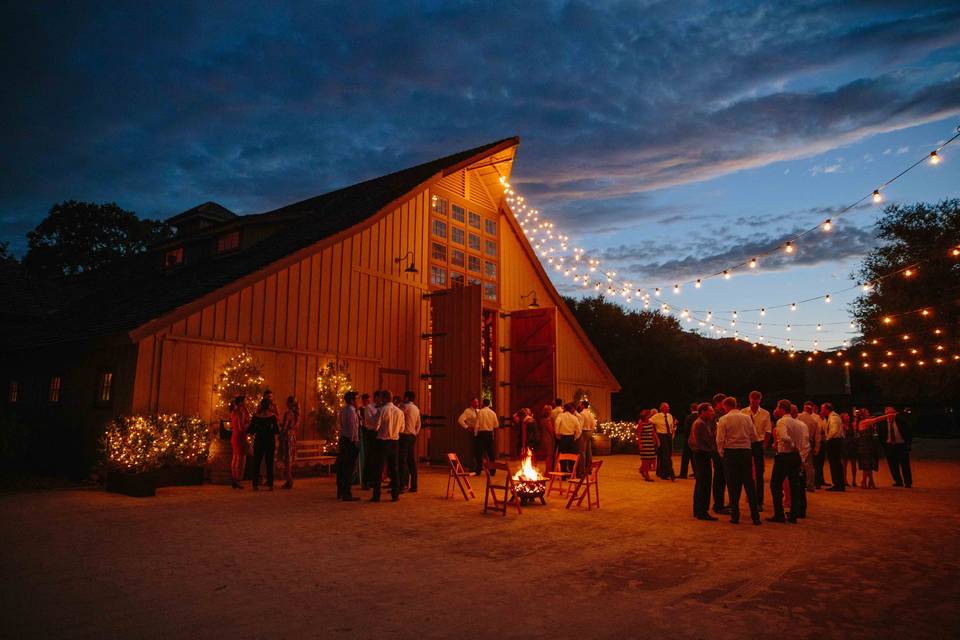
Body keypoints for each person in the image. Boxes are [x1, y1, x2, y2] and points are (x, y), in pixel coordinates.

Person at [716, 396, 760, 525]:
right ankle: (755, 516)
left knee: (732, 485)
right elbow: (754, 436)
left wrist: (722, 453)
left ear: (726, 406)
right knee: (749, 485)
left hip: (731, 453)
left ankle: (735, 516)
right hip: (745, 452)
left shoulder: (724, 419)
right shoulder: (747, 417)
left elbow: (720, 439)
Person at [767, 399, 805, 524]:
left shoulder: (782, 421)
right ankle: (793, 515)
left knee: (775, 485)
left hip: (784, 456)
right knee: (795, 486)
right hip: (795, 456)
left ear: (781, 408)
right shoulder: (798, 423)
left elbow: (783, 436)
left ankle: (779, 514)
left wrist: (792, 444)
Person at [741, 391, 772, 511]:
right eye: (752, 399)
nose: (754, 401)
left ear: (760, 400)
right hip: (746, 443)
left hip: (758, 443)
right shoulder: (743, 412)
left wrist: (764, 445)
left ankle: (759, 501)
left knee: (759, 473)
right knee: (746, 472)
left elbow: (768, 430)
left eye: (757, 399)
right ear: (749, 399)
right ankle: (749, 497)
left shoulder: (765, 413)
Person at [371, 390, 403, 502]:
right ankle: (395, 495)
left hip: (383, 441)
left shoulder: (381, 410)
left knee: (378, 468)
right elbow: (402, 429)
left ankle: (376, 495)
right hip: (395, 442)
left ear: (384, 398)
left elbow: (375, 427)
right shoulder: (399, 411)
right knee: (394, 469)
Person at [689, 403, 718, 520]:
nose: (713, 413)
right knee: (704, 483)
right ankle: (702, 511)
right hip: (702, 455)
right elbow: (706, 442)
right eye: (710, 411)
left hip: (701, 454)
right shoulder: (700, 424)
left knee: (701, 483)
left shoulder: (703, 422)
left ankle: (698, 509)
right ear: (703, 412)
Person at [248, 397, 279, 491]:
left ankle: (255, 484)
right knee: (269, 463)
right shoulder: (272, 417)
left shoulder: (256, 416)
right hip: (269, 441)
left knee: (256, 462)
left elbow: (250, 430)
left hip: (259, 440)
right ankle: (270, 484)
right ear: (269, 406)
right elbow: (276, 430)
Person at [876, 407, 912, 488]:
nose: (891, 415)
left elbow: (909, 433)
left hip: (901, 445)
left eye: (892, 413)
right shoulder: (882, 424)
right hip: (889, 446)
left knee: (905, 464)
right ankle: (898, 481)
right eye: (889, 414)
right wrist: (884, 447)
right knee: (893, 465)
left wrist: (908, 444)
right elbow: (881, 437)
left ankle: (908, 482)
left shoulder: (902, 422)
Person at [336, 391, 361, 501]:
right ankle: (347, 493)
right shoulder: (351, 411)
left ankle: (340, 491)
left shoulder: (343, 409)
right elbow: (352, 428)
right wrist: (354, 441)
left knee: (342, 467)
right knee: (349, 468)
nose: (358, 402)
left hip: (343, 439)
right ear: (352, 401)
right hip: (349, 441)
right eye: (356, 399)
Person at [399, 391, 421, 493]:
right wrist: (415, 433)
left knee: (403, 460)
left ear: (407, 398)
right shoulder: (416, 409)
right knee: (411, 460)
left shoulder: (404, 408)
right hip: (412, 436)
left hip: (404, 436)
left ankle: (403, 484)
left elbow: (399, 417)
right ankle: (414, 485)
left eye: (404, 397)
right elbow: (418, 424)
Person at [711, 393, 729, 514]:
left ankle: (719, 503)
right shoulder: (716, 415)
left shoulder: (719, 414)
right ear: (719, 402)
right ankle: (718, 504)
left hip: (718, 448)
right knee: (720, 477)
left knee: (721, 477)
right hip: (718, 449)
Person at [854, 408, 881, 489]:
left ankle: (868, 482)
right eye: (867, 412)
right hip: (864, 445)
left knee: (869, 464)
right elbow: (878, 419)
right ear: (863, 415)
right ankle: (866, 481)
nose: (868, 413)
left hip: (869, 444)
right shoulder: (864, 422)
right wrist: (888, 415)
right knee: (867, 465)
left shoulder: (867, 421)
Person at [797, 402, 821, 491]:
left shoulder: (798, 417)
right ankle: (810, 485)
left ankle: (798, 483)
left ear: (804, 408)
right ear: (811, 411)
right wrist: (817, 448)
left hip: (798, 442)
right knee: (809, 465)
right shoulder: (814, 422)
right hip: (808, 443)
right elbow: (817, 436)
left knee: (797, 463)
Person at [822, 403, 845, 491]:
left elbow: (834, 431)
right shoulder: (831, 417)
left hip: (834, 441)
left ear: (827, 409)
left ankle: (838, 484)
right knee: (835, 463)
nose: (822, 411)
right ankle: (839, 484)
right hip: (835, 441)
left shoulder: (833, 417)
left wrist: (827, 439)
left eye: (823, 409)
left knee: (835, 464)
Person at [650, 403, 676, 480]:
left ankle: (662, 473)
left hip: (669, 436)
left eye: (668, 407)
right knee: (666, 455)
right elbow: (648, 421)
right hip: (661, 436)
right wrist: (655, 435)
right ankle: (670, 473)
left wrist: (673, 432)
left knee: (666, 454)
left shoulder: (670, 416)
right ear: (662, 409)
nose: (669, 409)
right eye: (667, 407)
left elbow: (671, 426)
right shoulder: (657, 416)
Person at [555, 402, 583, 473]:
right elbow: (579, 430)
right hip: (571, 437)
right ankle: (572, 473)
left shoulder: (561, 416)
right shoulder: (574, 418)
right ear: (571, 409)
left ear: (564, 409)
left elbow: (557, 423)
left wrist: (557, 433)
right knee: (572, 456)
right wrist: (575, 437)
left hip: (563, 438)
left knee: (562, 456)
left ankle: (563, 473)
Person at [278, 396, 299, 489]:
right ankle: (289, 479)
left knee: (287, 459)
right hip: (292, 436)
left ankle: (289, 480)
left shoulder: (288, 413)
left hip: (287, 437)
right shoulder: (296, 414)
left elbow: (285, 426)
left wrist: (280, 433)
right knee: (289, 459)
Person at [361, 392, 380, 490]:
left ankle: (374, 480)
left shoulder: (380, 407)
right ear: (376, 397)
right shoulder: (369, 407)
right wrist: (379, 415)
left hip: (378, 434)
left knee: (376, 458)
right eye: (379, 398)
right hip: (371, 433)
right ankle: (366, 481)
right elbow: (370, 421)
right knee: (370, 457)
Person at [229, 396, 250, 489]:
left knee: (235, 458)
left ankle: (234, 479)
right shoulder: (240, 413)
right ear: (241, 402)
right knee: (240, 460)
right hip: (240, 437)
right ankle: (238, 480)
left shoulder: (233, 411)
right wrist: (250, 423)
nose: (246, 402)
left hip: (234, 436)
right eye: (245, 401)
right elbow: (241, 427)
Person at [636, 409, 658, 481]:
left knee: (650, 459)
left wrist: (657, 439)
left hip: (650, 443)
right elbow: (638, 435)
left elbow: (653, 432)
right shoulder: (641, 424)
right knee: (646, 460)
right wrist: (640, 444)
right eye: (648, 415)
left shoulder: (650, 423)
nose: (650, 416)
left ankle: (642, 470)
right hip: (644, 444)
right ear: (645, 416)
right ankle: (647, 475)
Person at [678, 403, 698, 479]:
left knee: (685, 457)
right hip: (698, 440)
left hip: (689, 440)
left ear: (691, 409)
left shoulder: (689, 417)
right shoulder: (699, 417)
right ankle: (696, 473)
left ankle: (683, 474)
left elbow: (686, 429)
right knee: (694, 457)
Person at [539, 404, 557, 473]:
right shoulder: (548, 420)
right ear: (549, 411)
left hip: (545, 437)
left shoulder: (542, 419)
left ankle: (548, 471)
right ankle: (548, 471)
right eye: (551, 410)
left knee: (548, 455)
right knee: (549, 456)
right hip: (549, 438)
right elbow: (551, 430)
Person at [842, 411, 858, 487]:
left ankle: (854, 480)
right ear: (843, 418)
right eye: (846, 416)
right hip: (845, 445)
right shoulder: (841, 425)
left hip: (852, 444)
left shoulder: (852, 425)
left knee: (854, 463)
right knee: (844, 463)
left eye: (848, 416)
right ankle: (844, 479)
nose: (848, 417)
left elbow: (855, 433)